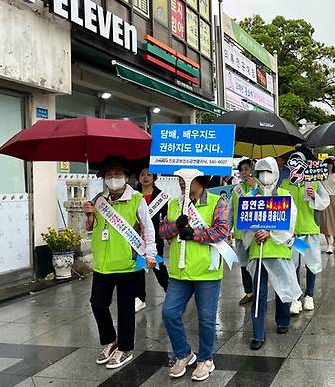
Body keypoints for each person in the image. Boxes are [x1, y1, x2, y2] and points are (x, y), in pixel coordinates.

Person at [83, 157, 157, 370]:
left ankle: (125, 348)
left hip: (127, 264)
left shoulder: (136, 199)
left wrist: (150, 254)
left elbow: (148, 229)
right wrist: (89, 215)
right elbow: (90, 229)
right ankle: (110, 340)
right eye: (108, 175)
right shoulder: (98, 200)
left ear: (126, 177)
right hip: (103, 265)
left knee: (126, 308)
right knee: (97, 303)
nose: (113, 179)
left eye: (117, 174)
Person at [159, 173, 230, 381]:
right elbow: (162, 231)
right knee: (169, 313)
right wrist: (175, 227)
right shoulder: (174, 204)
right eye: (179, 179)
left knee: (207, 320)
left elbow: (221, 231)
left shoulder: (217, 202)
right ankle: (184, 353)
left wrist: (194, 234)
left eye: (187, 179)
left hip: (206, 271)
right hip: (179, 273)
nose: (182, 183)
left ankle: (206, 359)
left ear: (202, 181)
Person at [243, 157, 301, 350]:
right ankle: (258, 334)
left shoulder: (285, 195)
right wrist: (255, 233)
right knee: (259, 293)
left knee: (282, 287)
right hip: (258, 251)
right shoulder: (251, 196)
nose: (264, 176)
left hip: (279, 250)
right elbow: (243, 225)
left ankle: (283, 320)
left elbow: (290, 225)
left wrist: (271, 233)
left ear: (276, 173)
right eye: (260, 172)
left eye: (268, 172)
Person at [280, 152, 329, 314]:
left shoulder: (313, 182)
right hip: (292, 234)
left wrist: (315, 196)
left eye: (300, 162)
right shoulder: (285, 184)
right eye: (293, 163)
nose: (297, 166)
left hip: (309, 231)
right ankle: (295, 298)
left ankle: (309, 295)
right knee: (293, 264)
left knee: (311, 264)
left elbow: (325, 203)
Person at [134, 167, 170, 313]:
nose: (145, 177)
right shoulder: (134, 195)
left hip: (154, 238)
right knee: (138, 268)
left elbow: (167, 217)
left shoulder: (160, 196)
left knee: (158, 267)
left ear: (154, 177)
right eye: (142, 174)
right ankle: (140, 298)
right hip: (135, 238)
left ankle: (170, 292)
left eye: (149, 174)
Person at [230, 159, 258, 305]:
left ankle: (259, 291)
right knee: (243, 264)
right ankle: (249, 292)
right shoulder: (236, 189)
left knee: (256, 264)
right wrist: (227, 229)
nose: (244, 172)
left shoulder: (261, 187)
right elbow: (231, 210)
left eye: (247, 169)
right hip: (240, 234)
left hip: (256, 235)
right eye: (242, 170)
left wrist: (256, 187)